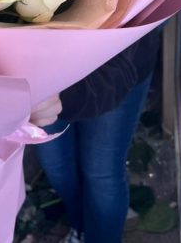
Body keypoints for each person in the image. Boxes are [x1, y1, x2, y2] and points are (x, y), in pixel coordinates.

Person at [29, 28, 162, 243]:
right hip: (41, 68)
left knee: (102, 173)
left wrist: (59, 94)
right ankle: (80, 226)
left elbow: (125, 57)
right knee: (56, 166)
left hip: (115, 67)